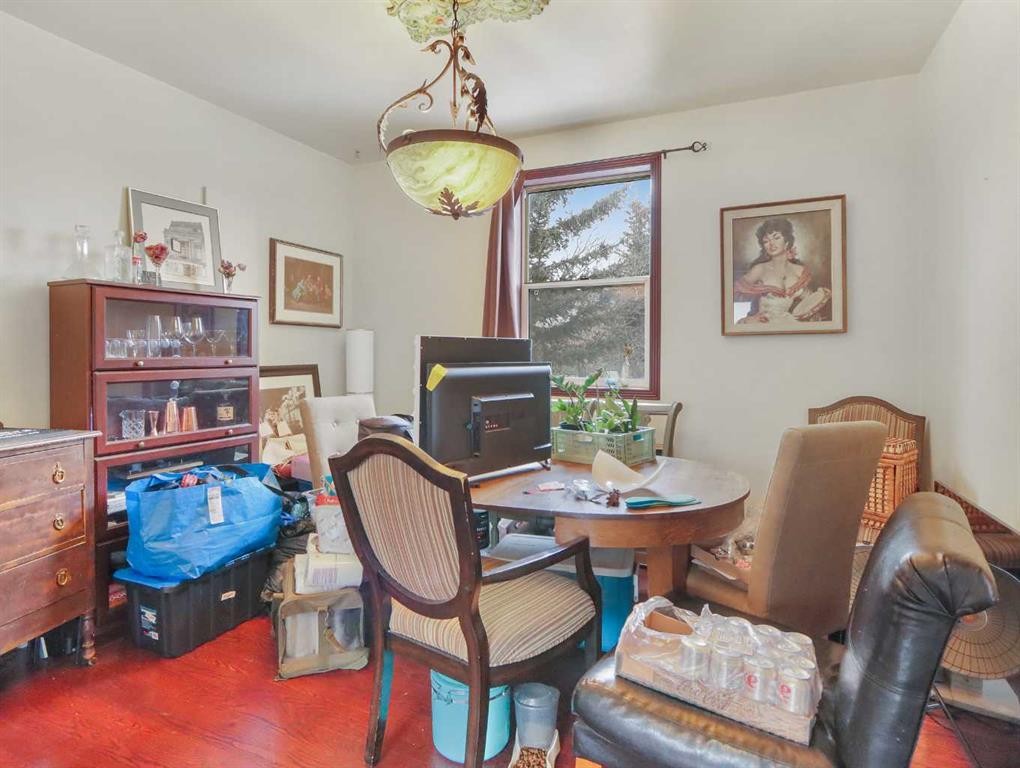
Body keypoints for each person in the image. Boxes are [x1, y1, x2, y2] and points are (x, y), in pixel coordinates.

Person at [734, 217, 830, 324]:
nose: (771, 244)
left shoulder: (800, 270)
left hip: (789, 323)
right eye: (766, 241)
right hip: (764, 325)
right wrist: (753, 316)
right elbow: (733, 294)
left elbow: (809, 301)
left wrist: (815, 307)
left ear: (787, 242)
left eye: (776, 238)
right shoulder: (759, 269)